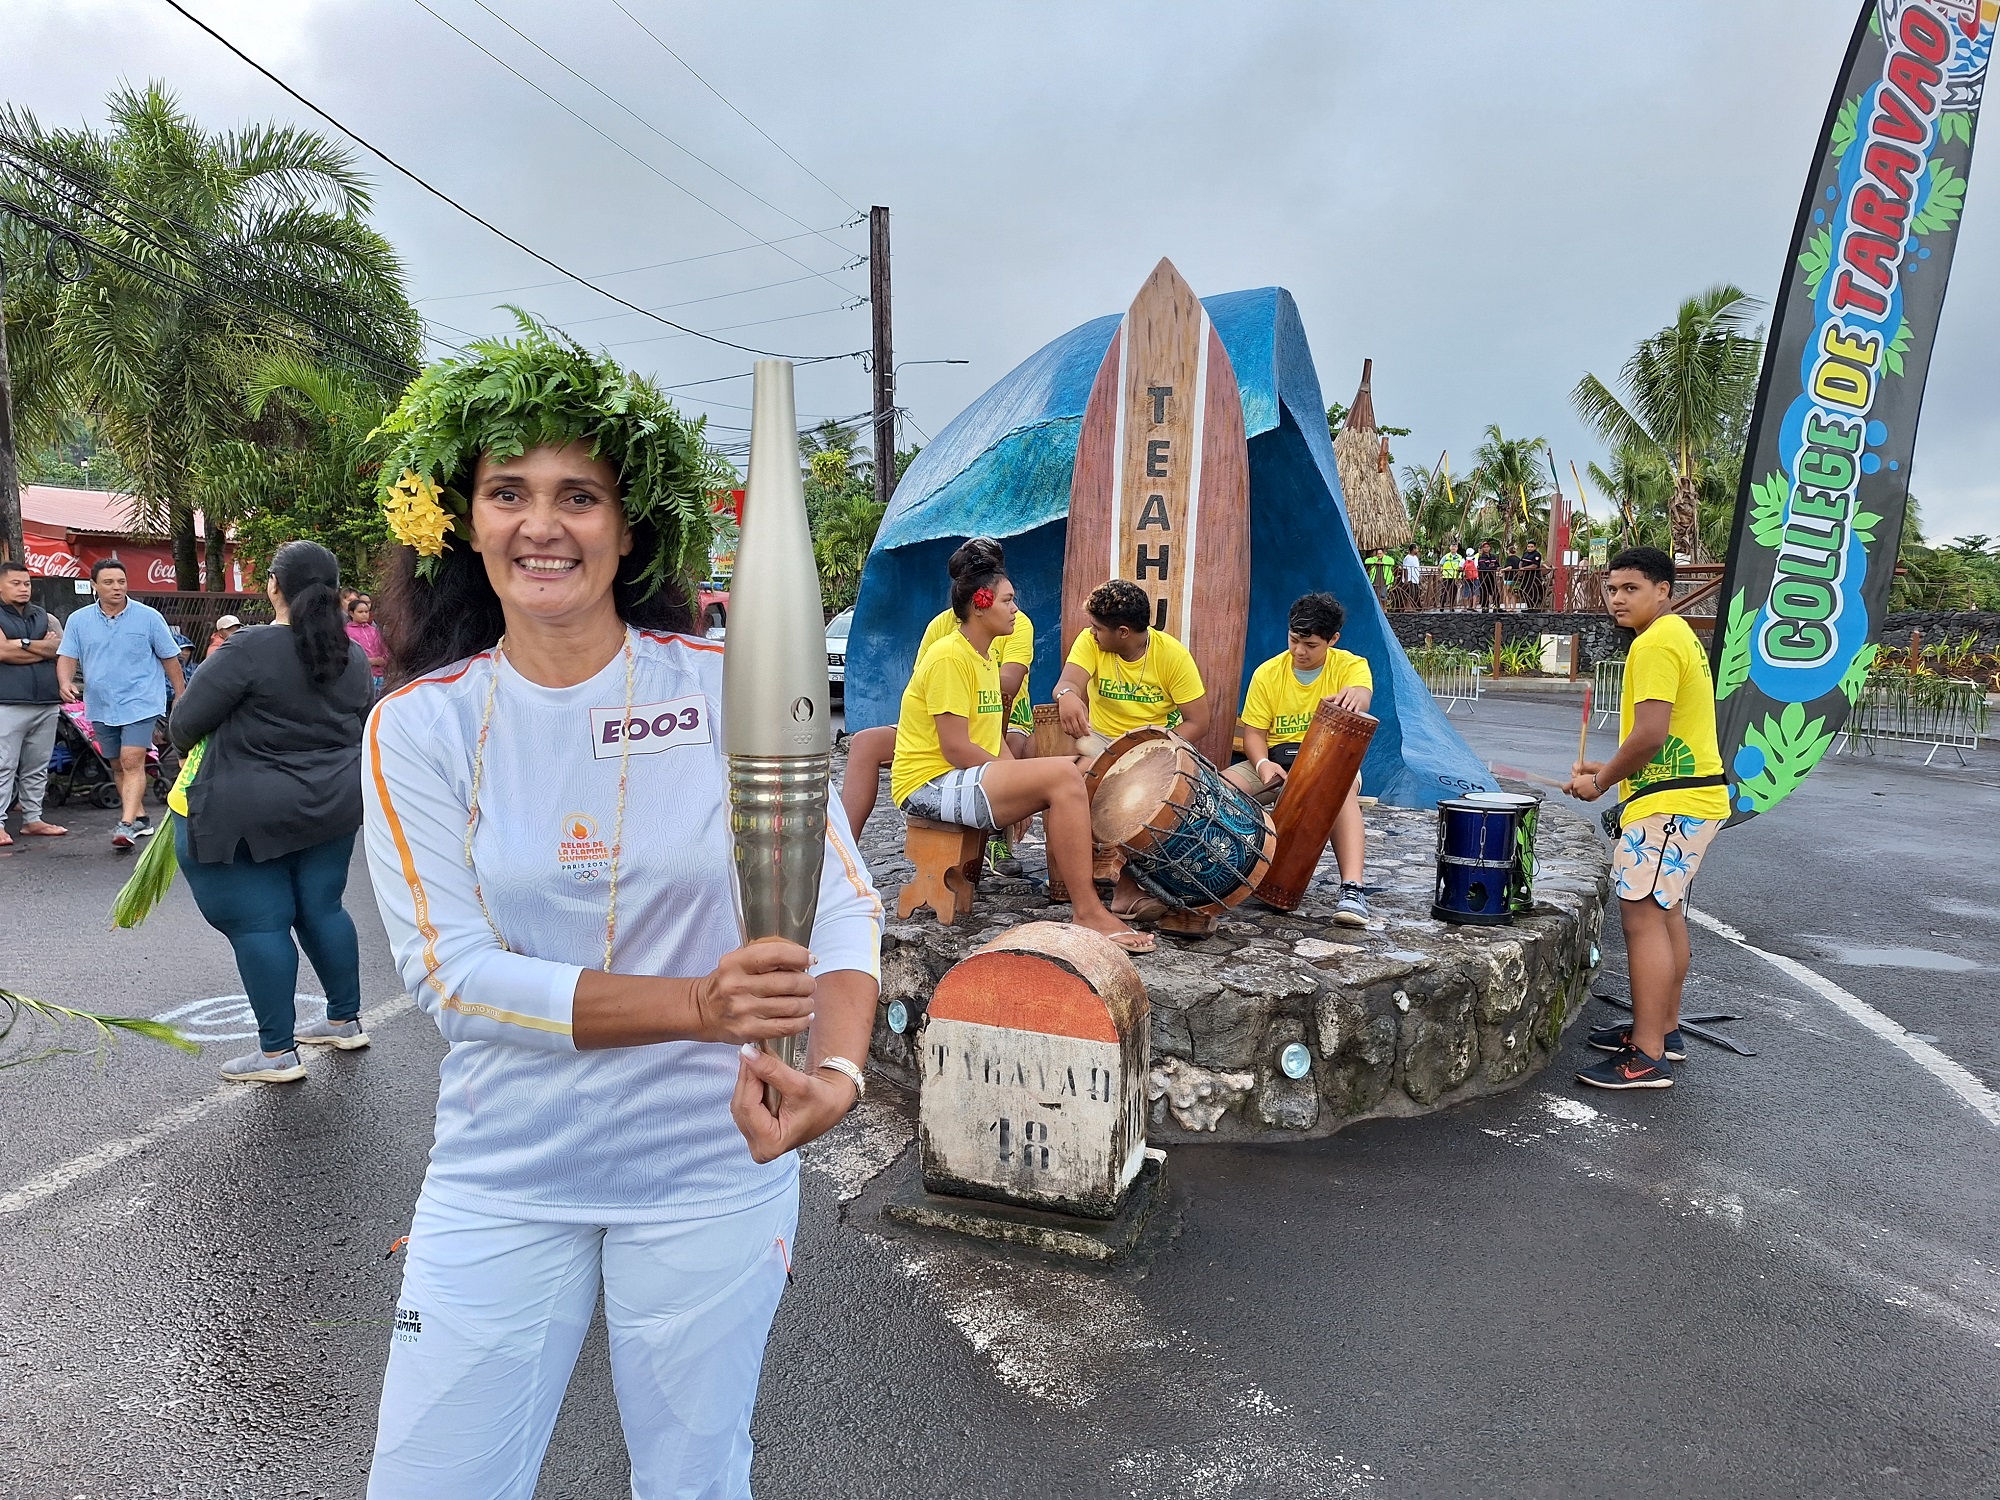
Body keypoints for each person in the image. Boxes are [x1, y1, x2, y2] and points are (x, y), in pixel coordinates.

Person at [358, 321, 880, 1497]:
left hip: (707, 1172)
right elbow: (452, 979)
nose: (542, 524)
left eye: (577, 495)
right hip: (505, 1173)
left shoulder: (721, 688)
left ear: (627, 524)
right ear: (462, 518)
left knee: (693, 1480)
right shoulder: (422, 726)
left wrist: (834, 1079)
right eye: (508, 492)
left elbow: (839, 909)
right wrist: (698, 1003)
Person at [169, 541, 374, 1084]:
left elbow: (185, 723)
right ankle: (344, 1019)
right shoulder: (351, 655)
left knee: (259, 922)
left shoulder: (249, 647)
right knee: (323, 909)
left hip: (245, 808)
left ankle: (278, 1052)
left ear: (275, 586)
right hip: (331, 803)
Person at [888, 540, 1150, 953]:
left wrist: (1019, 783)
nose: (1015, 608)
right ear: (981, 603)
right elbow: (956, 748)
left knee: (1070, 770)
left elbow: (992, 740)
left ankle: (1087, 899)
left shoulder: (983, 657)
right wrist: (1015, 778)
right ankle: (1088, 911)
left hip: (961, 777)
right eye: (1008, 600)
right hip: (928, 786)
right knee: (1062, 773)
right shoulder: (948, 658)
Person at [1563, 547, 1729, 1091]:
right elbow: (1659, 739)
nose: (1616, 599)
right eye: (1611, 589)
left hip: (1671, 805)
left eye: (1630, 588)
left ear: (1664, 590)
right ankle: (1664, 1029)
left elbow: (1651, 732)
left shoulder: (1654, 643)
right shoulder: (1677, 634)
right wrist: (1608, 766)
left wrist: (1602, 781)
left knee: (1641, 917)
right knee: (1666, 913)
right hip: (1684, 798)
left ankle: (1648, 1054)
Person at [837, 535, 1034, 843]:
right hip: (948, 722)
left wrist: (970, 670)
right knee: (865, 742)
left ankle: (999, 843)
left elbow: (1009, 684)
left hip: (1000, 717)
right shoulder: (941, 628)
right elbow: (928, 688)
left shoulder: (1016, 622)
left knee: (1011, 742)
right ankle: (845, 851)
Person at [1223, 592, 1374, 925]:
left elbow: (1362, 694)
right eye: (1294, 640)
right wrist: (1262, 765)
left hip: (1330, 762)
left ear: (1332, 639)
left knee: (1341, 787)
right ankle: (1217, 876)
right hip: (1275, 761)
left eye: (1311, 644)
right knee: (1219, 789)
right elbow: (1254, 735)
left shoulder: (1350, 665)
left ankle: (1352, 889)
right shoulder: (1268, 673)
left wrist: (1357, 696)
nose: (1299, 651)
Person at [56, 558, 184, 848]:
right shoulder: (79, 620)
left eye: (121, 582)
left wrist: (180, 693)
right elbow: (67, 656)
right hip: (100, 704)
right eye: (109, 582)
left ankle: (125, 825)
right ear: (94, 586)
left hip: (141, 701)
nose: (117, 587)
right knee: (116, 763)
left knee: (131, 760)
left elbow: (169, 657)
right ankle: (139, 817)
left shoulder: (148, 617)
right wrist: (65, 682)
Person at [1054, 578, 1209, 750]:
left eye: (1097, 628)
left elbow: (1198, 722)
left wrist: (1156, 749)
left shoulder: (1173, 655)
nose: (1092, 632)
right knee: (1072, 766)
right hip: (1099, 741)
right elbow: (1068, 683)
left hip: (1155, 745)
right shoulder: (1090, 641)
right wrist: (1067, 695)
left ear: (1123, 632)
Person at [0, 560, 67, 844]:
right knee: (4, 764)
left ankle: (33, 819)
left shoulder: (44, 616)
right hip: (7, 701)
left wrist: (22, 644)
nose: (23, 588)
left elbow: (60, 648)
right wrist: (41, 648)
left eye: (26, 583)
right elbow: (2, 653)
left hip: (46, 702)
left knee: (37, 765)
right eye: (15, 583)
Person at [345, 592, 388, 697]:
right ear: (351, 613)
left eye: (366, 612)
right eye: (360, 612)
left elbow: (385, 650)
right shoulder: (347, 632)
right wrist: (367, 661)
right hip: (361, 676)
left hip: (379, 675)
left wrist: (382, 660)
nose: (364, 614)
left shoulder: (374, 630)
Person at [1518, 542, 1545, 610]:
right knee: (1524, 591)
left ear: (1535, 547)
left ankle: (1533, 607)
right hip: (1525, 576)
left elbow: (1534, 566)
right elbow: (1521, 562)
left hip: (1533, 575)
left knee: (1532, 591)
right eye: (1528, 546)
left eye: (1531, 547)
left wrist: (1524, 568)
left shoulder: (1537, 555)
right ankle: (1529, 606)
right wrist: (1520, 569)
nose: (1530, 548)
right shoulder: (1525, 554)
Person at [1476, 540, 1500, 612]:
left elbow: (1498, 565)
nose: (1486, 548)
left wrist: (1494, 567)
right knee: (1484, 592)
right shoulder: (1481, 557)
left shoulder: (1493, 556)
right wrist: (1493, 567)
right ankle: (1485, 607)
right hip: (1483, 577)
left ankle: (1496, 607)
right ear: (1482, 549)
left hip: (1492, 577)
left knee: (1496, 592)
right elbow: (1484, 568)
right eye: (1484, 547)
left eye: (1487, 547)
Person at [1440, 545, 1464, 611]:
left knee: (1453, 592)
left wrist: (1459, 577)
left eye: (1455, 547)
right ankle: (1442, 605)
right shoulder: (1446, 556)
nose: (1453, 548)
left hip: (1455, 577)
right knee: (1443, 591)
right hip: (1446, 576)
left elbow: (1461, 567)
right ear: (1450, 548)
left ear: (1457, 548)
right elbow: (1440, 565)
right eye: (1452, 547)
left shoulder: (1459, 557)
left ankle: (1451, 606)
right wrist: (1440, 574)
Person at [1398, 546, 1422, 611]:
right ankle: (1408, 608)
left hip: (1415, 579)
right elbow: (1405, 568)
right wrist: (1406, 580)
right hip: (1410, 579)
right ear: (1413, 549)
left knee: (1414, 594)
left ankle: (1414, 608)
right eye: (1416, 548)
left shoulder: (1415, 558)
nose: (1417, 550)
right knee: (1410, 594)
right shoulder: (1408, 558)